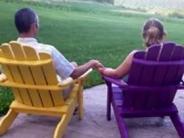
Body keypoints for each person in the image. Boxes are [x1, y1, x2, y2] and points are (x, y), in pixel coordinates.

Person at [14, 8, 103, 80]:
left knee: (73, 64)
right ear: (34, 27)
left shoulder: (7, 52)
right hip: (51, 96)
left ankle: (71, 65)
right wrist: (91, 63)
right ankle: (72, 66)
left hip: (24, 96)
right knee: (72, 71)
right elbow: (74, 74)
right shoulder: (47, 51)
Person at [99, 18, 166, 78]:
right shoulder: (171, 57)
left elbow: (116, 74)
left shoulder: (136, 55)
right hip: (163, 92)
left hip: (136, 91)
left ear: (143, 35)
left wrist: (104, 70)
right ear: (163, 35)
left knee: (126, 78)